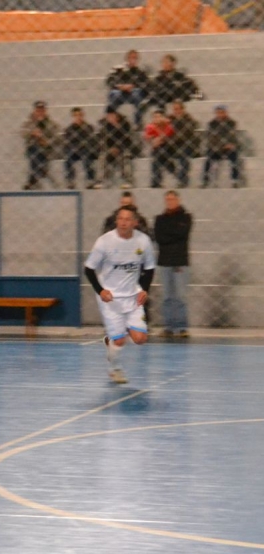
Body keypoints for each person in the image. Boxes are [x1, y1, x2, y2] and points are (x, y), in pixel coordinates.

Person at [84, 207, 156, 384]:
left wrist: (144, 289)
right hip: (110, 298)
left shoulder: (143, 241)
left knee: (140, 339)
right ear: (116, 221)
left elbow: (149, 267)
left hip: (132, 295)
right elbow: (89, 269)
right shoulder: (105, 242)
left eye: (127, 219)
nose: (123, 222)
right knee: (121, 340)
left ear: (135, 222)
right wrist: (101, 290)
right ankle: (115, 368)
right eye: (120, 219)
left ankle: (111, 339)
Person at [153, 190, 193, 338]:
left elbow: (181, 234)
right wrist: (172, 236)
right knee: (167, 296)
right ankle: (169, 326)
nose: (170, 202)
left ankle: (182, 326)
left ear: (178, 200)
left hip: (180, 262)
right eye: (167, 199)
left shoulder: (186, 217)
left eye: (172, 199)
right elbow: (159, 237)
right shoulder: (160, 219)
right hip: (164, 261)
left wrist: (168, 236)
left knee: (180, 296)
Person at [21, 101, 59, 190]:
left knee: (38, 153)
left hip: (46, 148)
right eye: (38, 110)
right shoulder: (29, 122)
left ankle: (32, 180)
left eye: (42, 110)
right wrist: (32, 133)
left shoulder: (51, 123)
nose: (40, 112)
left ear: (45, 111)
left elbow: (56, 136)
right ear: (34, 111)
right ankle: (41, 173)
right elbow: (22, 133)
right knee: (35, 150)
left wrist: (47, 141)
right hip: (32, 148)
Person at [106, 49, 149, 127]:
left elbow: (146, 84)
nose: (133, 60)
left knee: (137, 94)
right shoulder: (117, 69)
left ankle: (137, 122)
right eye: (131, 58)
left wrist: (132, 86)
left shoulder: (140, 71)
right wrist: (120, 86)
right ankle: (111, 121)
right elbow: (109, 81)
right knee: (113, 94)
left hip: (134, 92)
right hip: (119, 92)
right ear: (127, 59)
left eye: (135, 58)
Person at [202, 105, 242, 188]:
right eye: (218, 113)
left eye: (222, 112)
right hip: (216, 148)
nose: (220, 115)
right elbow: (211, 139)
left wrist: (231, 144)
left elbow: (233, 137)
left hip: (228, 148)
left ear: (226, 113)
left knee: (235, 157)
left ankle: (235, 180)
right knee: (208, 159)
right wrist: (223, 145)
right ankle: (205, 180)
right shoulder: (212, 124)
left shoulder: (231, 123)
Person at [97, 108, 135, 189]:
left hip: (123, 148)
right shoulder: (105, 126)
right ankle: (102, 180)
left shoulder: (125, 124)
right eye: (108, 116)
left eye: (111, 115)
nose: (109, 118)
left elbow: (128, 140)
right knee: (102, 157)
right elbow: (102, 140)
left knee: (126, 156)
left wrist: (119, 148)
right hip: (110, 149)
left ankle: (128, 180)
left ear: (116, 115)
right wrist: (110, 149)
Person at [63, 107, 97, 189]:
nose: (78, 117)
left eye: (80, 115)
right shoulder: (69, 129)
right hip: (74, 151)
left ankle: (90, 179)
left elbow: (90, 141)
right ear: (72, 117)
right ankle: (70, 180)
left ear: (83, 116)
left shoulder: (88, 127)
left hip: (86, 150)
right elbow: (68, 143)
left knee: (87, 156)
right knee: (68, 158)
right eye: (75, 115)